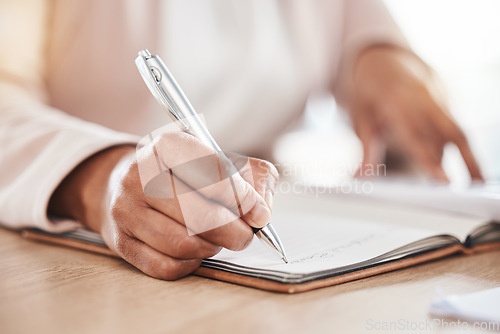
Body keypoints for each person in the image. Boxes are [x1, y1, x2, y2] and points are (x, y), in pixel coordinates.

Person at [0, 0, 482, 280]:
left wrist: (378, 55)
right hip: (64, 256)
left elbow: (354, 26)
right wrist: (97, 176)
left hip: (285, 206)